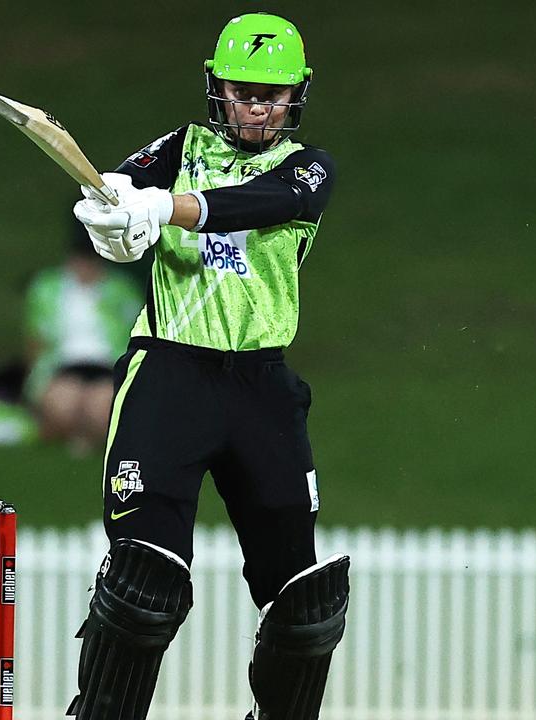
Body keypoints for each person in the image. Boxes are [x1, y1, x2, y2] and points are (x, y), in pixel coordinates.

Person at [65, 14, 350, 720]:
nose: (260, 106)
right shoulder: (178, 148)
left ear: (298, 95)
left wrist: (166, 208)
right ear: (216, 86)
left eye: (276, 94)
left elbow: (261, 204)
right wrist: (114, 221)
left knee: (304, 604)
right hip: (170, 376)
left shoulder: (307, 167)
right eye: (245, 90)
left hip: (262, 388)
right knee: (142, 585)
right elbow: (115, 191)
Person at [24, 217, 142, 453]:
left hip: (107, 365)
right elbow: (35, 341)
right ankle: (73, 435)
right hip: (63, 365)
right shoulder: (47, 287)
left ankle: (87, 439)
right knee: (63, 407)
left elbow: (137, 336)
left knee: (101, 411)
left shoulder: (121, 289)